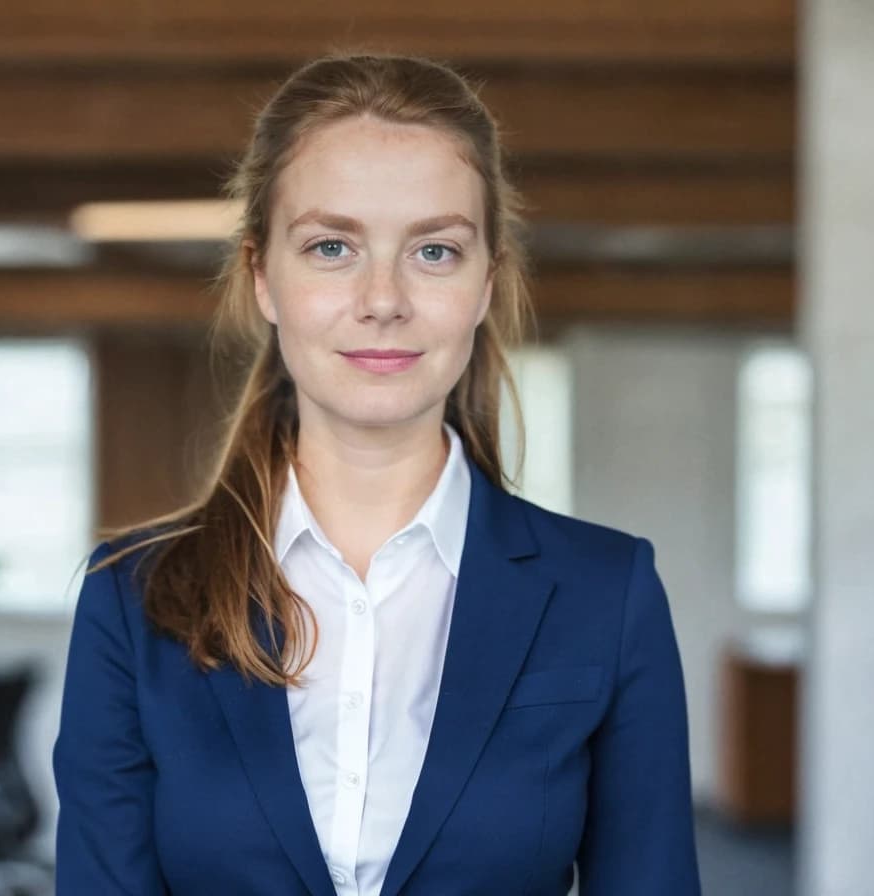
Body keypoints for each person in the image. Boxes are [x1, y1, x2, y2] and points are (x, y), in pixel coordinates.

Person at [52, 52, 700, 896]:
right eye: (331, 247)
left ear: (484, 284)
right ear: (262, 278)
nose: (383, 298)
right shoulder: (133, 598)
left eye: (434, 251)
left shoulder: (607, 594)